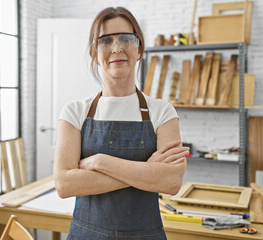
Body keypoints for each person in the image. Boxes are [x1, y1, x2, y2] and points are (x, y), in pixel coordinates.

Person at [54, 6, 188, 240]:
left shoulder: (162, 112)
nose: (117, 48)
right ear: (94, 54)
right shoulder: (75, 112)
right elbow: (65, 184)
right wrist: (146, 170)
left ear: (139, 49)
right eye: (106, 41)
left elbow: (170, 181)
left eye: (126, 39)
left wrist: (100, 161)